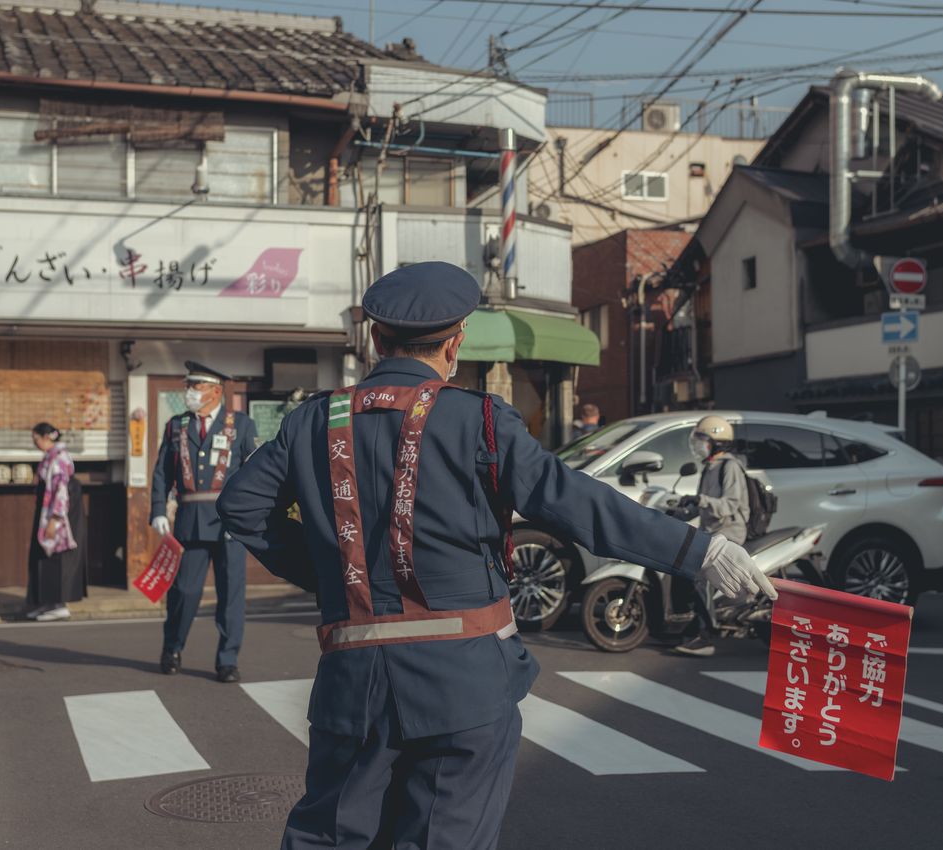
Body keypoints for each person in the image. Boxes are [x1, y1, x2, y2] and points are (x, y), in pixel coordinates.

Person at [217, 261, 775, 850]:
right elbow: (579, 504)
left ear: (376, 339)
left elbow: (241, 507)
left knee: (328, 839)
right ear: (456, 342)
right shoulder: (478, 419)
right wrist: (698, 550)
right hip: (465, 681)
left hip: (352, 684)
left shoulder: (312, 421)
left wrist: (335, 574)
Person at [151, 362, 258, 683]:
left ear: (215, 390)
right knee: (184, 591)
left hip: (230, 523)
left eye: (196, 387)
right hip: (190, 521)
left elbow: (254, 473)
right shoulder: (176, 426)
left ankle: (227, 659)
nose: (190, 393)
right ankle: (172, 647)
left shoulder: (241, 425)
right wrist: (158, 509)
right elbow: (161, 473)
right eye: (189, 386)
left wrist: (252, 514)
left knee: (231, 595)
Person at [673, 415, 750, 658]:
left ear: (717, 442)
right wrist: (683, 507)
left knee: (700, 573)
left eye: (703, 440)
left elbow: (728, 506)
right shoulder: (709, 467)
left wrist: (701, 500)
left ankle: (706, 636)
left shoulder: (730, 467)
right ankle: (688, 623)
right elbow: (703, 506)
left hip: (730, 532)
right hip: (713, 532)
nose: (697, 445)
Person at [26, 423, 86, 622]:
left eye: (36, 439)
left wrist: (55, 519)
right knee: (42, 553)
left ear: (46, 437)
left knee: (55, 553)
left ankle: (59, 603)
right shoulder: (49, 456)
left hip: (59, 512)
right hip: (46, 509)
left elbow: (61, 490)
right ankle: (46, 602)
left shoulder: (59, 458)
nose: (35, 444)